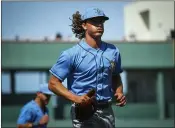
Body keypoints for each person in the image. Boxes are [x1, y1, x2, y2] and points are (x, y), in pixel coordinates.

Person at [49, 7, 126, 128]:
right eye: (95, 21)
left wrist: (119, 91)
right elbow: (53, 83)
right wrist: (76, 98)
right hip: (83, 111)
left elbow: (115, 75)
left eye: (101, 21)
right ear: (84, 25)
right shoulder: (71, 54)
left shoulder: (113, 51)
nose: (99, 25)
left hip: (107, 110)